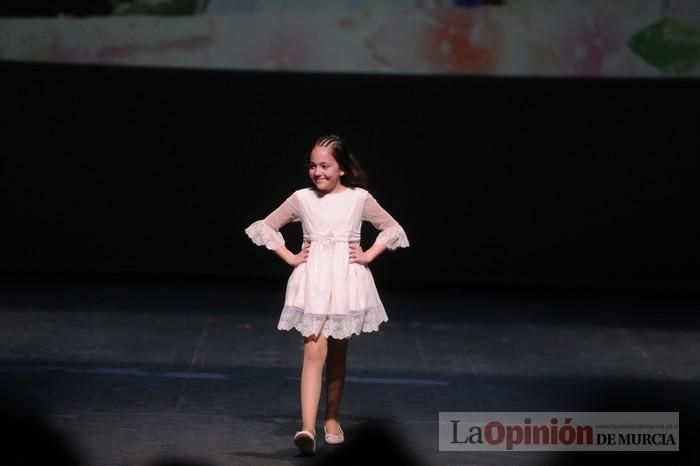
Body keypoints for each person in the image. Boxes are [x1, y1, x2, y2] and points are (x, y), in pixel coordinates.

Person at [244, 134, 409, 456]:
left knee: (338, 353)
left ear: (342, 168)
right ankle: (307, 427)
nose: (317, 172)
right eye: (313, 166)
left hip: (346, 279)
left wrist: (369, 254)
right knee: (313, 350)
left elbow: (391, 228)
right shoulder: (301, 198)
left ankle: (331, 418)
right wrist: (290, 256)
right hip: (315, 279)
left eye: (325, 165)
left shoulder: (359, 198)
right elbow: (266, 226)